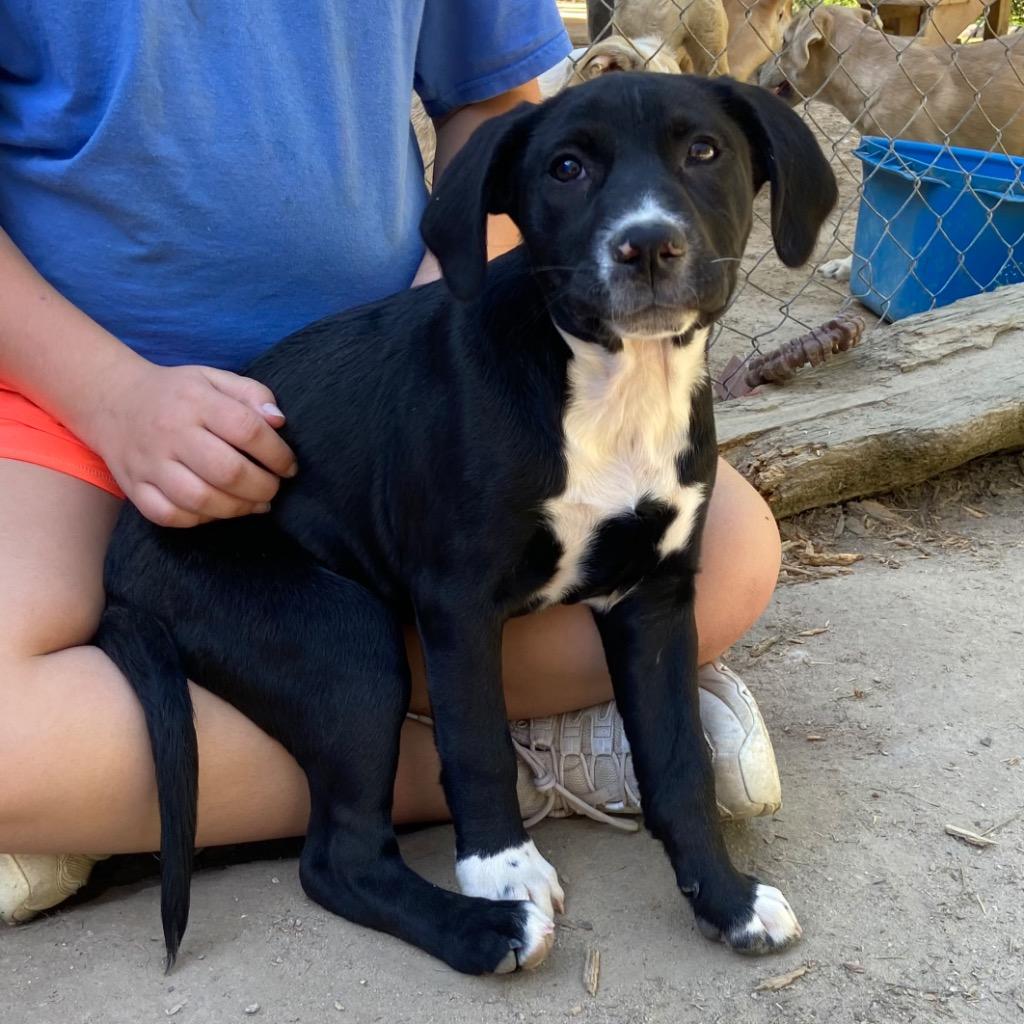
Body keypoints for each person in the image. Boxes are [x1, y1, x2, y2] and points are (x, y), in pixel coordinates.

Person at [0, 1, 783, 924]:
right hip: (73, 386)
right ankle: (535, 760)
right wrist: (115, 398)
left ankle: (98, 799)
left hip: (388, 369)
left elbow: (494, 109)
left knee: (731, 556)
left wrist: (443, 301)